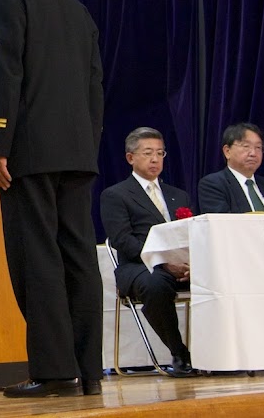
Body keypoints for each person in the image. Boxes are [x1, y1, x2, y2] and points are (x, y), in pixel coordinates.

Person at [0, 0, 104, 398]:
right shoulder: (77, 8)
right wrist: (86, 147)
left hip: (29, 153)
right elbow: (94, 88)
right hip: (77, 154)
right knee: (79, 257)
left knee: (37, 258)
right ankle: (89, 371)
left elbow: (2, 72)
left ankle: (53, 371)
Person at [99, 127, 195, 377]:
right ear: (130, 157)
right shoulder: (115, 195)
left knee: (222, 279)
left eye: (160, 153)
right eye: (148, 153)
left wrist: (191, 264)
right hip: (139, 266)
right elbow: (123, 240)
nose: (155, 159)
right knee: (155, 284)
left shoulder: (178, 195)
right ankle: (179, 353)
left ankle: (221, 352)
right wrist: (163, 262)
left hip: (182, 266)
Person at [197, 122, 264, 214]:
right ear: (227, 151)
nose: (253, 153)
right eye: (246, 146)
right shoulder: (213, 185)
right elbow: (222, 221)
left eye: (258, 147)